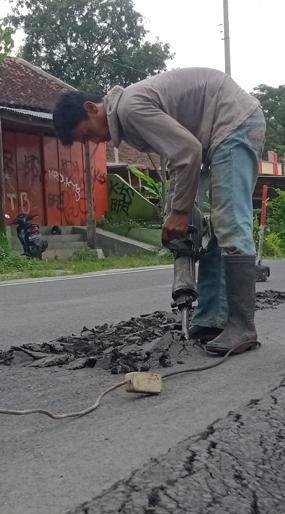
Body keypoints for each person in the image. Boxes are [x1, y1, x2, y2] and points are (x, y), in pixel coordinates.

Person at [52, 68, 265, 356]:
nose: (93, 143)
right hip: (214, 133)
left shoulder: (130, 109)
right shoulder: (131, 114)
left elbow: (188, 152)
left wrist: (179, 212)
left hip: (233, 123)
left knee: (229, 220)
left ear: (91, 109)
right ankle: (212, 318)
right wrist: (176, 211)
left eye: (87, 135)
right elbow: (178, 160)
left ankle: (243, 326)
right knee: (213, 225)